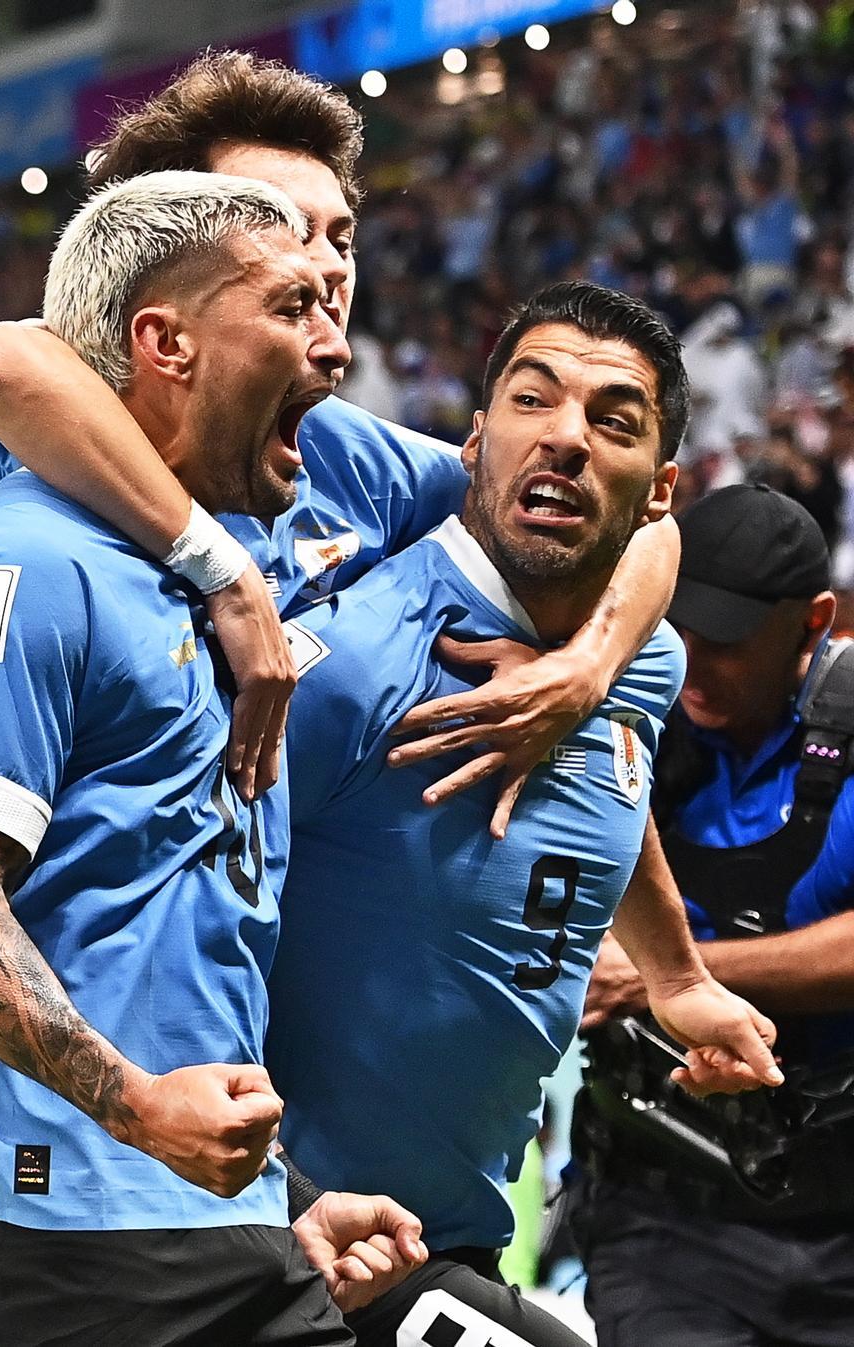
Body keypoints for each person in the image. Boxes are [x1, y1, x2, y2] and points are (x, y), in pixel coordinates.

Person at [0, 52, 682, 1345]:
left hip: (109, 1091)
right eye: (279, 227)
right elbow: (1, 357)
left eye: (339, 233)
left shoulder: (344, 463)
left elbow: (612, 508)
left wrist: (587, 669)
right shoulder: (68, 415)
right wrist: (223, 568)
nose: (325, 260)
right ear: (159, 295)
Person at [0, 169, 417, 1347]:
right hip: (45, 1244)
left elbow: (161, 952)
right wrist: (137, 1115)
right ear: (164, 342)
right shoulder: (27, 572)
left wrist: (280, 1208)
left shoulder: (218, 579)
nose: (332, 348)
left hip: (199, 1224)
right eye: (289, 308)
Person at [264, 284, 782, 1347]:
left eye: (613, 422)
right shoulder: (354, 670)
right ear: (475, 442)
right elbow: (166, 919)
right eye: (532, 400)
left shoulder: (639, 664)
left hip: (453, 1230)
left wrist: (678, 978)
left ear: (658, 493)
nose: (566, 440)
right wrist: (279, 1193)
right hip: (314, 1244)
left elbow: (613, 791)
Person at [569, 482, 854, 1347]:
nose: (689, 658)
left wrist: (668, 973)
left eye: (723, 638)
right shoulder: (622, 702)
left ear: (814, 621)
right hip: (664, 1222)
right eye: (676, 624)